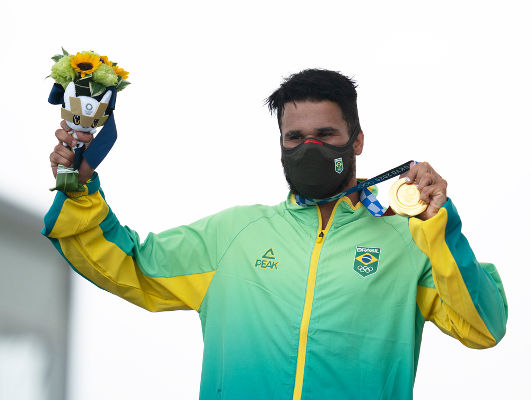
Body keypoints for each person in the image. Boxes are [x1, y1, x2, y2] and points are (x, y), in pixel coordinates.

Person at [44, 69, 507, 400]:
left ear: (358, 141)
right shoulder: (233, 235)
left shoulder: (411, 241)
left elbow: (483, 327)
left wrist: (437, 227)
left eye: (326, 134)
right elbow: (130, 265)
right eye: (294, 137)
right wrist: (80, 191)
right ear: (280, 144)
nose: (309, 148)